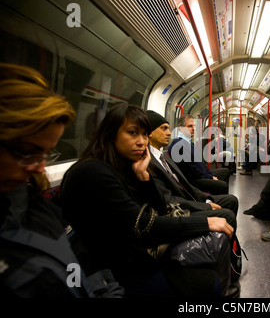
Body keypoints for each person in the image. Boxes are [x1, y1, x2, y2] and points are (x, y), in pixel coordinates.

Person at [59, 104, 234, 297]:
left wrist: (144, 178)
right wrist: (205, 221)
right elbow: (144, 225)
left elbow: (158, 208)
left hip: (131, 252)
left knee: (211, 259)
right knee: (209, 284)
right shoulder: (94, 172)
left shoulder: (125, 168)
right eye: (133, 133)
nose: (141, 142)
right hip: (106, 267)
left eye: (144, 135)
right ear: (110, 134)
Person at [0, 63, 123, 297]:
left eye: (46, 154)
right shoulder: (90, 172)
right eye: (26, 151)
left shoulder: (32, 204)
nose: (40, 167)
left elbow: (76, 263)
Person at [146, 110, 238, 225]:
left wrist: (205, 199)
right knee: (225, 199)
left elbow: (198, 165)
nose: (169, 133)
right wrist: (204, 203)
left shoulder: (164, 156)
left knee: (230, 196)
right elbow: (190, 172)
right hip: (186, 194)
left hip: (187, 193)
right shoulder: (151, 161)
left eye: (194, 126)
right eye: (164, 128)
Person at [169, 114, 232, 195]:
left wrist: (210, 175)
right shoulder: (180, 145)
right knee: (223, 185)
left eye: (194, 126)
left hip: (199, 175)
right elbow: (192, 170)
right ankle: (218, 200)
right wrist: (210, 177)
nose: (193, 129)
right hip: (193, 181)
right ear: (181, 128)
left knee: (225, 172)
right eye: (190, 126)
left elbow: (199, 164)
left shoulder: (188, 142)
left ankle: (218, 196)